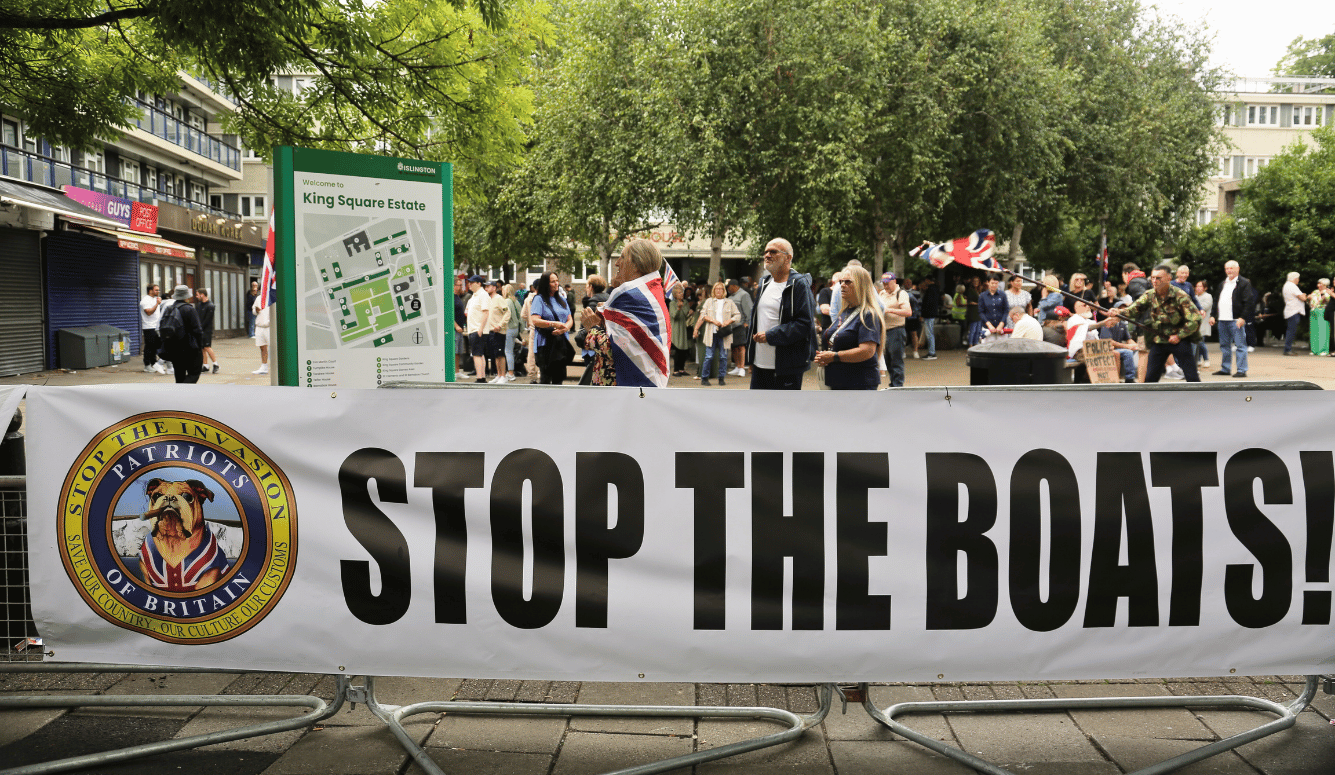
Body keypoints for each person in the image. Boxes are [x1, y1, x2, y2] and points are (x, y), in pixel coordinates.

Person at [579, 238, 670, 387]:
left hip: (620, 390)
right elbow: (629, 342)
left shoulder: (631, 298)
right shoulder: (646, 296)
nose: (617, 262)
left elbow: (618, 349)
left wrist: (593, 328)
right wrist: (607, 319)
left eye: (622, 256)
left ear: (636, 264)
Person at [747, 238, 816, 390]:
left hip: (786, 367)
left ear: (788, 258)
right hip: (760, 365)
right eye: (765, 251)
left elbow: (804, 324)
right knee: (758, 411)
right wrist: (751, 357)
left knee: (784, 413)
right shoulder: (764, 282)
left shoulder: (799, 284)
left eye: (773, 251)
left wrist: (771, 335)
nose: (767, 255)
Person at [1120, 266, 1203, 382]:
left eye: (1158, 278)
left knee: (1192, 377)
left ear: (1168, 278)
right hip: (1159, 340)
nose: (1154, 281)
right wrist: (1117, 312)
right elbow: (1134, 309)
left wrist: (1179, 335)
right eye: (1153, 278)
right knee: (1150, 378)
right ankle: (1150, 399)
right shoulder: (1150, 295)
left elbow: (1195, 318)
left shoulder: (1179, 295)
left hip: (1179, 340)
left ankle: (1198, 398)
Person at [814, 266, 883, 390]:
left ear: (861, 285)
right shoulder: (845, 311)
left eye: (848, 282)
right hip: (838, 381)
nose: (842, 285)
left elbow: (867, 351)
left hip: (859, 383)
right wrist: (825, 357)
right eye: (841, 281)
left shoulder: (868, 314)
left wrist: (834, 356)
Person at [1208, 260, 1256, 378]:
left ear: (1238, 269)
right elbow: (1216, 300)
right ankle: (1225, 368)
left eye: (1231, 268)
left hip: (1236, 320)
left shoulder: (1244, 283)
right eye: (1227, 268)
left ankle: (1242, 369)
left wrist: (1242, 317)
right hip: (1222, 319)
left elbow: (1249, 302)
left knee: (1240, 345)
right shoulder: (1222, 283)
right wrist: (1213, 315)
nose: (1229, 271)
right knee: (1224, 345)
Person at [530, 271, 573, 384]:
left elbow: (570, 319)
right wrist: (554, 324)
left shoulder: (562, 300)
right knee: (546, 379)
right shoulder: (539, 299)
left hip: (561, 344)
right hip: (545, 345)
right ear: (546, 283)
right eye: (553, 281)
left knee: (559, 379)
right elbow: (535, 320)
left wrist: (565, 328)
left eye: (557, 281)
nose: (556, 283)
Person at [693, 281, 740, 386]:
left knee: (723, 357)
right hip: (711, 333)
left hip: (724, 334)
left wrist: (729, 321)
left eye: (721, 289)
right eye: (716, 289)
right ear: (714, 290)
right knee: (708, 356)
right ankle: (704, 378)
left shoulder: (729, 302)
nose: (718, 290)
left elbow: (737, 315)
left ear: (724, 291)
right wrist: (711, 321)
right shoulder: (709, 301)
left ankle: (721, 378)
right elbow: (702, 315)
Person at [161, 285, 204, 383]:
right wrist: (200, 346)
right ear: (186, 297)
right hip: (190, 348)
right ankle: (184, 391)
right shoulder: (189, 309)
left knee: (179, 374)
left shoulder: (169, 308)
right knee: (194, 373)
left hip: (174, 348)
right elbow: (198, 330)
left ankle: (179, 395)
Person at [878, 271, 912, 387]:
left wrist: (889, 310)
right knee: (888, 359)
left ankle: (898, 385)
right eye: (884, 283)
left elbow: (908, 312)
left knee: (896, 359)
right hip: (884, 331)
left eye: (887, 283)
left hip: (896, 330)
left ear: (894, 281)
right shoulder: (882, 293)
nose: (885, 286)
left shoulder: (901, 294)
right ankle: (893, 383)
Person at [1099, 303, 1140, 382]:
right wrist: (1127, 346)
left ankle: (1133, 375)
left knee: (1138, 350)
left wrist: (1135, 345)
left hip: (1119, 348)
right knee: (1128, 352)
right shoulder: (1107, 323)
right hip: (1109, 349)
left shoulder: (1122, 324)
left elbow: (1128, 339)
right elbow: (1109, 341)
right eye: (1120, 309)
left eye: (1123, 309)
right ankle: (1129, 378)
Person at [464, 274, 490, 383]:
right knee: (479, 353)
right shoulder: (473, 296)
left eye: (472, 283)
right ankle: (482, 376)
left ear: (479, 283)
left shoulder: (483, 295)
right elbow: (467, 311)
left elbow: (486, 312)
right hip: (473, 328)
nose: (469, 285)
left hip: (478, 329)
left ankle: (480, 378)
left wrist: (480, 328)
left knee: (476, 354)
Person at [485, 279, 512, 382]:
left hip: (499, 331)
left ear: (494, 288)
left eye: (488, 286)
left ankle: (503, 376)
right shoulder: (489, 299)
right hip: (491, 331)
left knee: (500, 354)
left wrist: (500, 325)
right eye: (485, 286)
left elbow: (507, 313)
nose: (486, 288)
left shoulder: (499, 298)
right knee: (495, 354)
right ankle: (499, 374)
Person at [726, 278, 753, 379]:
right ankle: (737, 366)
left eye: (729, 287)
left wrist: (747, 323)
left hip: (740, 324)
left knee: (741, 346)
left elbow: (749, 310)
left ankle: (742, 368)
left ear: (734, 286)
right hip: (732, 324)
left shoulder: (744, 294)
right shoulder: (731, 296)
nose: (728, 289)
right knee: (734, 347)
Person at [140, 283, 166, 374]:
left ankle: (154, 363)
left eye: (158, 290)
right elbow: (149, 312)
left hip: (156, 326)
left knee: (156, 346)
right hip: (148, 327)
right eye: (156, 290)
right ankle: (147, 365)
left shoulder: (155, 299)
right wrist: (157, 304)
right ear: (150, 290)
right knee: (149, 346)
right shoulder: (145, 300)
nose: (158, 291)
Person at [1281, 271, 1308, 355]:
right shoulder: (1292, 286)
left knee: (1290, 330)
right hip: (1294, 311)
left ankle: (1288, 348)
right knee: (1291, 330)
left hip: (1290, 310)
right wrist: (1304, 294)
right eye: (1298, 278)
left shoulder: (1286, 285)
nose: (1298, 280)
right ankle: (1287, 349)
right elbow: (1303, 298)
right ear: (1295, 278)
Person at [668, 284, 692, 376]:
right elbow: (674, 315)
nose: (681, 294)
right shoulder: (672, 303)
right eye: (679, 292)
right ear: (675, 294)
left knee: (684, 350)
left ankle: (682, 369)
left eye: (682, 292)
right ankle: (675, 370)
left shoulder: (685, 302)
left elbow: (686, 314)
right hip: (676, 328)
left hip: (683, 328)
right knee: (677, 350)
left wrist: (689, 311)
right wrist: (678, 308)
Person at [916, 275, 941, 360]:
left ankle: (932, 353)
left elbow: (927, 303)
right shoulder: (935, 289)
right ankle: (931, 352)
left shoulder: (930, 290)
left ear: (927, 280)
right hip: (932, 313)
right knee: (930, 333)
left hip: (928, 314)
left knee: (929, 333)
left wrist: (922, 314)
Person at [501, 283, 522, 381]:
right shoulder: (516, 301)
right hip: (516, 329)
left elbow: (505, 315)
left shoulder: (506, 302)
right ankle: (510, 372)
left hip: (509, 328)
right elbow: (520, 316)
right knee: (511, 351)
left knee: (508, 351)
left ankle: (510, 373)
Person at [195, 288, 218, 374]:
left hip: (207, 330)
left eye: (197, 295)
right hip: (200, 329)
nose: (196, 297)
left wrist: (200, 328)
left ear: (202, 294)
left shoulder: (210, 306)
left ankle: (215, 364)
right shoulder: (199, 305)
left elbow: (207, 320)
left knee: (207, 347)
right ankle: (205, 365)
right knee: (202, 348)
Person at [978, 276, 1008, 341]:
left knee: (1002, 347)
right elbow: (981, 312)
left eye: (996, 283)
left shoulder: (1003, 295)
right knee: (988, 348)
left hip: (1001, 327)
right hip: (988, 327)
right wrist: (989, 325)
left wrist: (1001, 324)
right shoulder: (982, 296)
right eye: (992, 283)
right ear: (988, 283)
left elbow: (1006, 310)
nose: (994, 285)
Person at [1194, 280, 1213, 368]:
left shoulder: (1208, 296)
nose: (1198, 288)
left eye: (1200, 286)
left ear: (1205, 288)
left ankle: (1206, 359)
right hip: (1195, 323)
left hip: (1204, 322)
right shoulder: (1194, 296)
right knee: (1197, 343)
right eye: (1197, 286)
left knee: (1200, 342)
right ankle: (1198, 359)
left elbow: (1205, 307)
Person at [1309, 278, 1331, 356]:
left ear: (1325, 285)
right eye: (1319, 283)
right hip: (1313, 311)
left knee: (1323, 331)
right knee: (1314, 330)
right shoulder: (1315, 291)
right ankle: (1314, 349)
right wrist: (1309, 297)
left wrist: (1325, 297)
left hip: (1322, 311)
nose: (1319, 285)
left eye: (1321, 283)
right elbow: (1309, 298)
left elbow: (1328, 300)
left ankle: (1323, 349)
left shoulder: (1327, 292)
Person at [252, 297, 272, 375]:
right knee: (262, 347)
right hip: (259, 326)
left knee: (273, 347)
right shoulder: (259, 298)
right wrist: (256, 310)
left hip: (269, 326)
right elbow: (254, 310)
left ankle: (277, 366)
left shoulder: (273, 297)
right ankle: (264, 366)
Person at [964, 276, 982, 346]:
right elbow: (969, 302)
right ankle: (970, 344)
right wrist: (978, 304)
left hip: (979, 312)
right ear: (972, 282)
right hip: (973, 312)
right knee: (973, 330)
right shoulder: (970, 290)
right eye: (974, 281)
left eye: (977, 281)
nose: (975, 282)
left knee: (978, 330)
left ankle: (976, 343)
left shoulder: (979, 290)